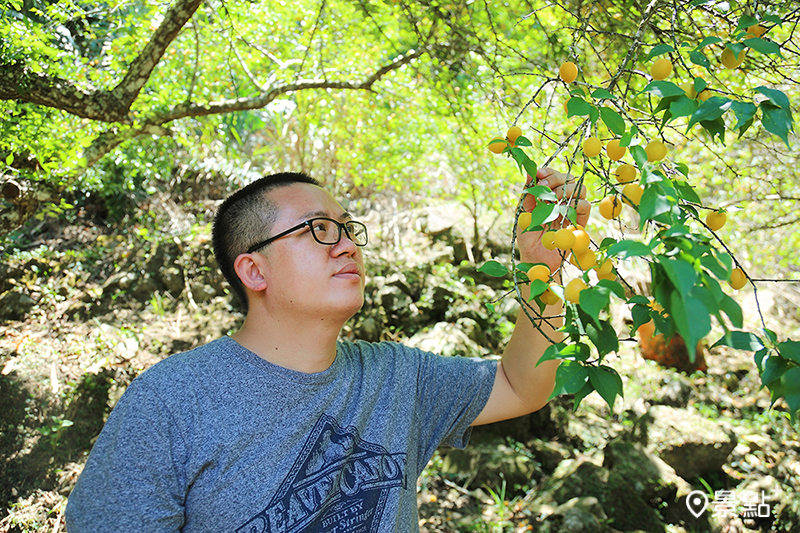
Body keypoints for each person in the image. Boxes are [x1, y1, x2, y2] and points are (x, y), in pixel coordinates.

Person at [65, 168, 590, 532]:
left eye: (346, 228)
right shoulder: (171, 401)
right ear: (254, 270)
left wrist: (542, 271)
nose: (348, 245)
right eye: (318, 230)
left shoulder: (397, 377)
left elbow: (522, 385)